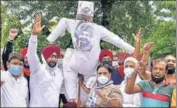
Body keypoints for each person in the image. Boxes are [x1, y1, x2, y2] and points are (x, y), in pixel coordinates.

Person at [46, 1, 134, 105]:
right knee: (87, 89)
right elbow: (116, 39)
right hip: (91, 67)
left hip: (82, 66)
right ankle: (74, 100)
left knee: (82, 86)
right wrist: (132, 49)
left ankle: (73, 100)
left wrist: (50, 38)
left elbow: (62, 23)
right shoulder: (98, 28)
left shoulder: (71, 23)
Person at [28, 14, 63, 107]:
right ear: (45, 57)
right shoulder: (37, 69)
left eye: (56, 57)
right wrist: (34, 36)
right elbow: (31, 54)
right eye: (51, 56)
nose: (54, 59)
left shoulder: (59, 72)